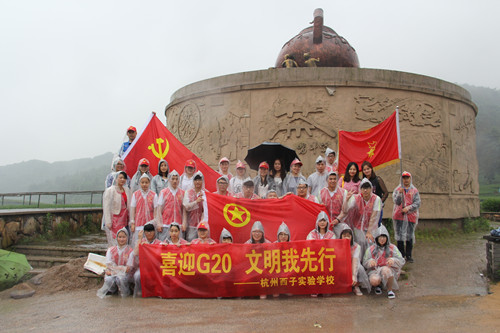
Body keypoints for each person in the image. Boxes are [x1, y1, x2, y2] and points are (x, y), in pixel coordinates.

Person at [363, 225, 405, 299]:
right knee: (374, 280)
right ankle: (378, 286)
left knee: (385, 270)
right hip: (375, 271)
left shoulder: (392, 248)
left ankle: (390, 289)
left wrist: (393, 260)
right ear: (376, 238)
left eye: (384, 237)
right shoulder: (371, 249)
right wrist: (370, 262)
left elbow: (401, 260)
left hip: (389, 270)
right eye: (380, 237)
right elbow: (365, 261)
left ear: (387, 238)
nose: (382, 239)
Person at [345, 179, 382, 255]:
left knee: (370, 241)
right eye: (363, 188)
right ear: (360, 189)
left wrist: (369, 231)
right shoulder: (356, 198)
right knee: (360, 242)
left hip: (370, 226)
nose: (365, 190)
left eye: (367, 188)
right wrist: (346, 200)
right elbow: (346, 209)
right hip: (357, 226)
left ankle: (370, 260)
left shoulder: (376, 199)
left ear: (371, 189)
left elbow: (374, 217)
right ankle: (360, 260)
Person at [392, 171, 421, 263]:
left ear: (410, 179)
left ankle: (409, 255)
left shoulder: (414, 191)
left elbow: (417, 203)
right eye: (404, 178)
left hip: (410, 217)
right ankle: (401, 254)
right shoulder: (398, 189)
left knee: (409, 236)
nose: (406, 180)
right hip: (399, 216)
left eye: (407, 178)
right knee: (399, 236)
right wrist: (400, 194)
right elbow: (396, 202)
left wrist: (408, 208)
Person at [97, 227, 134, 298]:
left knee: (120, 278)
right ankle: (112, 290)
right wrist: (116, 270)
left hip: (125, 274)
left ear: (127, 238)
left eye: (124, 237)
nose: (121, 239)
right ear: (116, 238)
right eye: (120, 237)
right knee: (108, 279)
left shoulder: (130, 251)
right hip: (112, 271)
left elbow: (128, 269)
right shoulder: (111, 250)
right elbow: (109, 265)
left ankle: (125, 291)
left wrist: (114, 271)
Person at [338, 223, 371, 296]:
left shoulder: (356, 247)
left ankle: (356, 286)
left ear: (352, 237)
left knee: (359, 268)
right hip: (341, 264)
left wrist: (354, 276)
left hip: (352, 264)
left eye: (348, 236)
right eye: (344, 236)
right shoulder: (337, 245)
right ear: (341, 236)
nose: (346, 238)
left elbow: (355, 261)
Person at [132, 222, 161, 297]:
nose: (149, 233)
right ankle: (139, 291)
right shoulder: (141, 242)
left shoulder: (159, 243)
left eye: (151, 231)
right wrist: (139, 239)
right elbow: (135, 253)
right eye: (147, 231)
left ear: (154, 232)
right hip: (143, 267)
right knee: (137, 276)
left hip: (155, 268)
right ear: (144, 232)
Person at [103, 171, 131, 247]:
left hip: (125, 219)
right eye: (120, 178)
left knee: (124, 237)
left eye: (124, 178)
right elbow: (106, 207)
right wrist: (108, 221)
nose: (122, 180)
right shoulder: (110, 190)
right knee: (114, 239)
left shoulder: (127, 190)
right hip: (115, 219)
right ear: (116, 179)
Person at [156, 170, 185, 242]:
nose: (175, 181)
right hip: (165, 225)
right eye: (173, 179)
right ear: (169, 179)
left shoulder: (182, 193)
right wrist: (159, 223)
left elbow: (184, 210)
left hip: (178, 225)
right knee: (164, 246)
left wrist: (184, 223)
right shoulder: (164, 192)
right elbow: (159, 209)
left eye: (176, 179)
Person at [129, 173, 157, 248]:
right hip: (138, 224)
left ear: (149, 183)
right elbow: (132, 209)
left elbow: (156, 211)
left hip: (150, 225)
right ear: (139, 183)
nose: (144, 184)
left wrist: (155, 223)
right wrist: (132, 222)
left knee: (150, 245)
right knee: (138, 244)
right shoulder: (135, 194)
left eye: (146, 182)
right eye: (142, 182)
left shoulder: (153, 195)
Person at [320, 172, 348, 237]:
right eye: (330, 179)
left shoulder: (343, 192)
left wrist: (338, 219)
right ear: (327, 180)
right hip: (326, 225)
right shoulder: (321, 192)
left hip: (340, 224)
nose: (332, 181)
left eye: (334, 179)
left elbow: (345, 210)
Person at [361, 161, 388, 226]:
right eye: (364, 169)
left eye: (368, 169)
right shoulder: (363, 181)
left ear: (371, 169)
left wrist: (380, 202)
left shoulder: (378, 179)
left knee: (376, 225)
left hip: (376, 207)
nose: (366, 171)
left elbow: (386, 193)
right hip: (367, 208)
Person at [182, 171, 208, 242]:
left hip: (203, 225)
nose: (197, 182)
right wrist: (196, 202)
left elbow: (207, 210)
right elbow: (186, 206)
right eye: (196, 180)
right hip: (191, 225)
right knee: (191, 243)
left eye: (199, 180)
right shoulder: (188, 192)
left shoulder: (206, 193)